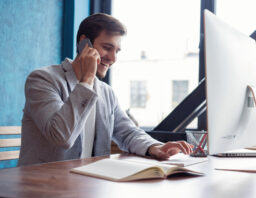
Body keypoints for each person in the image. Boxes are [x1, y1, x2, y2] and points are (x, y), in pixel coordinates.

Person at [18, 13, 193, 166]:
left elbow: (127, 132)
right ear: (84, 43)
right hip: (42, 186)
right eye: (107, 48)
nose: (113, 58)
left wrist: (155, 147)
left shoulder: (106, 92)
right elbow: (61, 136)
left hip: (88, 185)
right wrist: (86, 80)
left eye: (117, 51)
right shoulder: (42, 79)